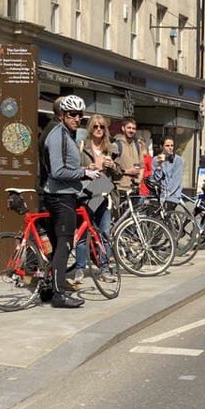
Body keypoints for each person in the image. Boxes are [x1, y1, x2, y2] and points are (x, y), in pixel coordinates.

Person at [42, 94, 101, 309]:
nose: (77, 118)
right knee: (64, 244)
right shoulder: (58, 136)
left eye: (80, 115)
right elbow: (57, 171)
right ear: (63, 115)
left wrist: (85, 171)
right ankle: (59, 295)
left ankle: (49, 288)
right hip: (59, 196)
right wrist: (84, 173)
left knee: (59, 245)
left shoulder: (68, 134)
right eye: (72, 115)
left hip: (67, 193)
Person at [72, 114, 119, 287]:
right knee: (82, 234)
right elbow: (74, 169)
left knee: (104, 233)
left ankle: (104, 268)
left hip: (103, 194)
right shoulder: (82, 146)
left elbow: (119, 173)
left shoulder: (111, 148)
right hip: (87, 194)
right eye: (95, 126)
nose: (98, 129)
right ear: (90, 129)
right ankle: (80, 268)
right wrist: (86, 168)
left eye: (101, 127)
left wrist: (113, 167)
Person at [111, 116, 144, 195]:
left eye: (133, 128)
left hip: (134, 188)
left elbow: (142, 165)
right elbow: (111, 168)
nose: (131, 130)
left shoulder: (137, 145)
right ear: (123, 128)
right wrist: (127, 171)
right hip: (121, 188)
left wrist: (139, 179)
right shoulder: (116, 145)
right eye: (129, 128)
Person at [150, 136, 184, 205]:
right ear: (162, 147)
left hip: (172, 194)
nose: (170, 148)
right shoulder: (156, 159)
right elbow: (156, 179)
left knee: (167, 212)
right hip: (158, 193)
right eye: (167, 146)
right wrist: (159, 165)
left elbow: (176, 180)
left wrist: (165, 194)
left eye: (172, 145)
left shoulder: (177, 160)